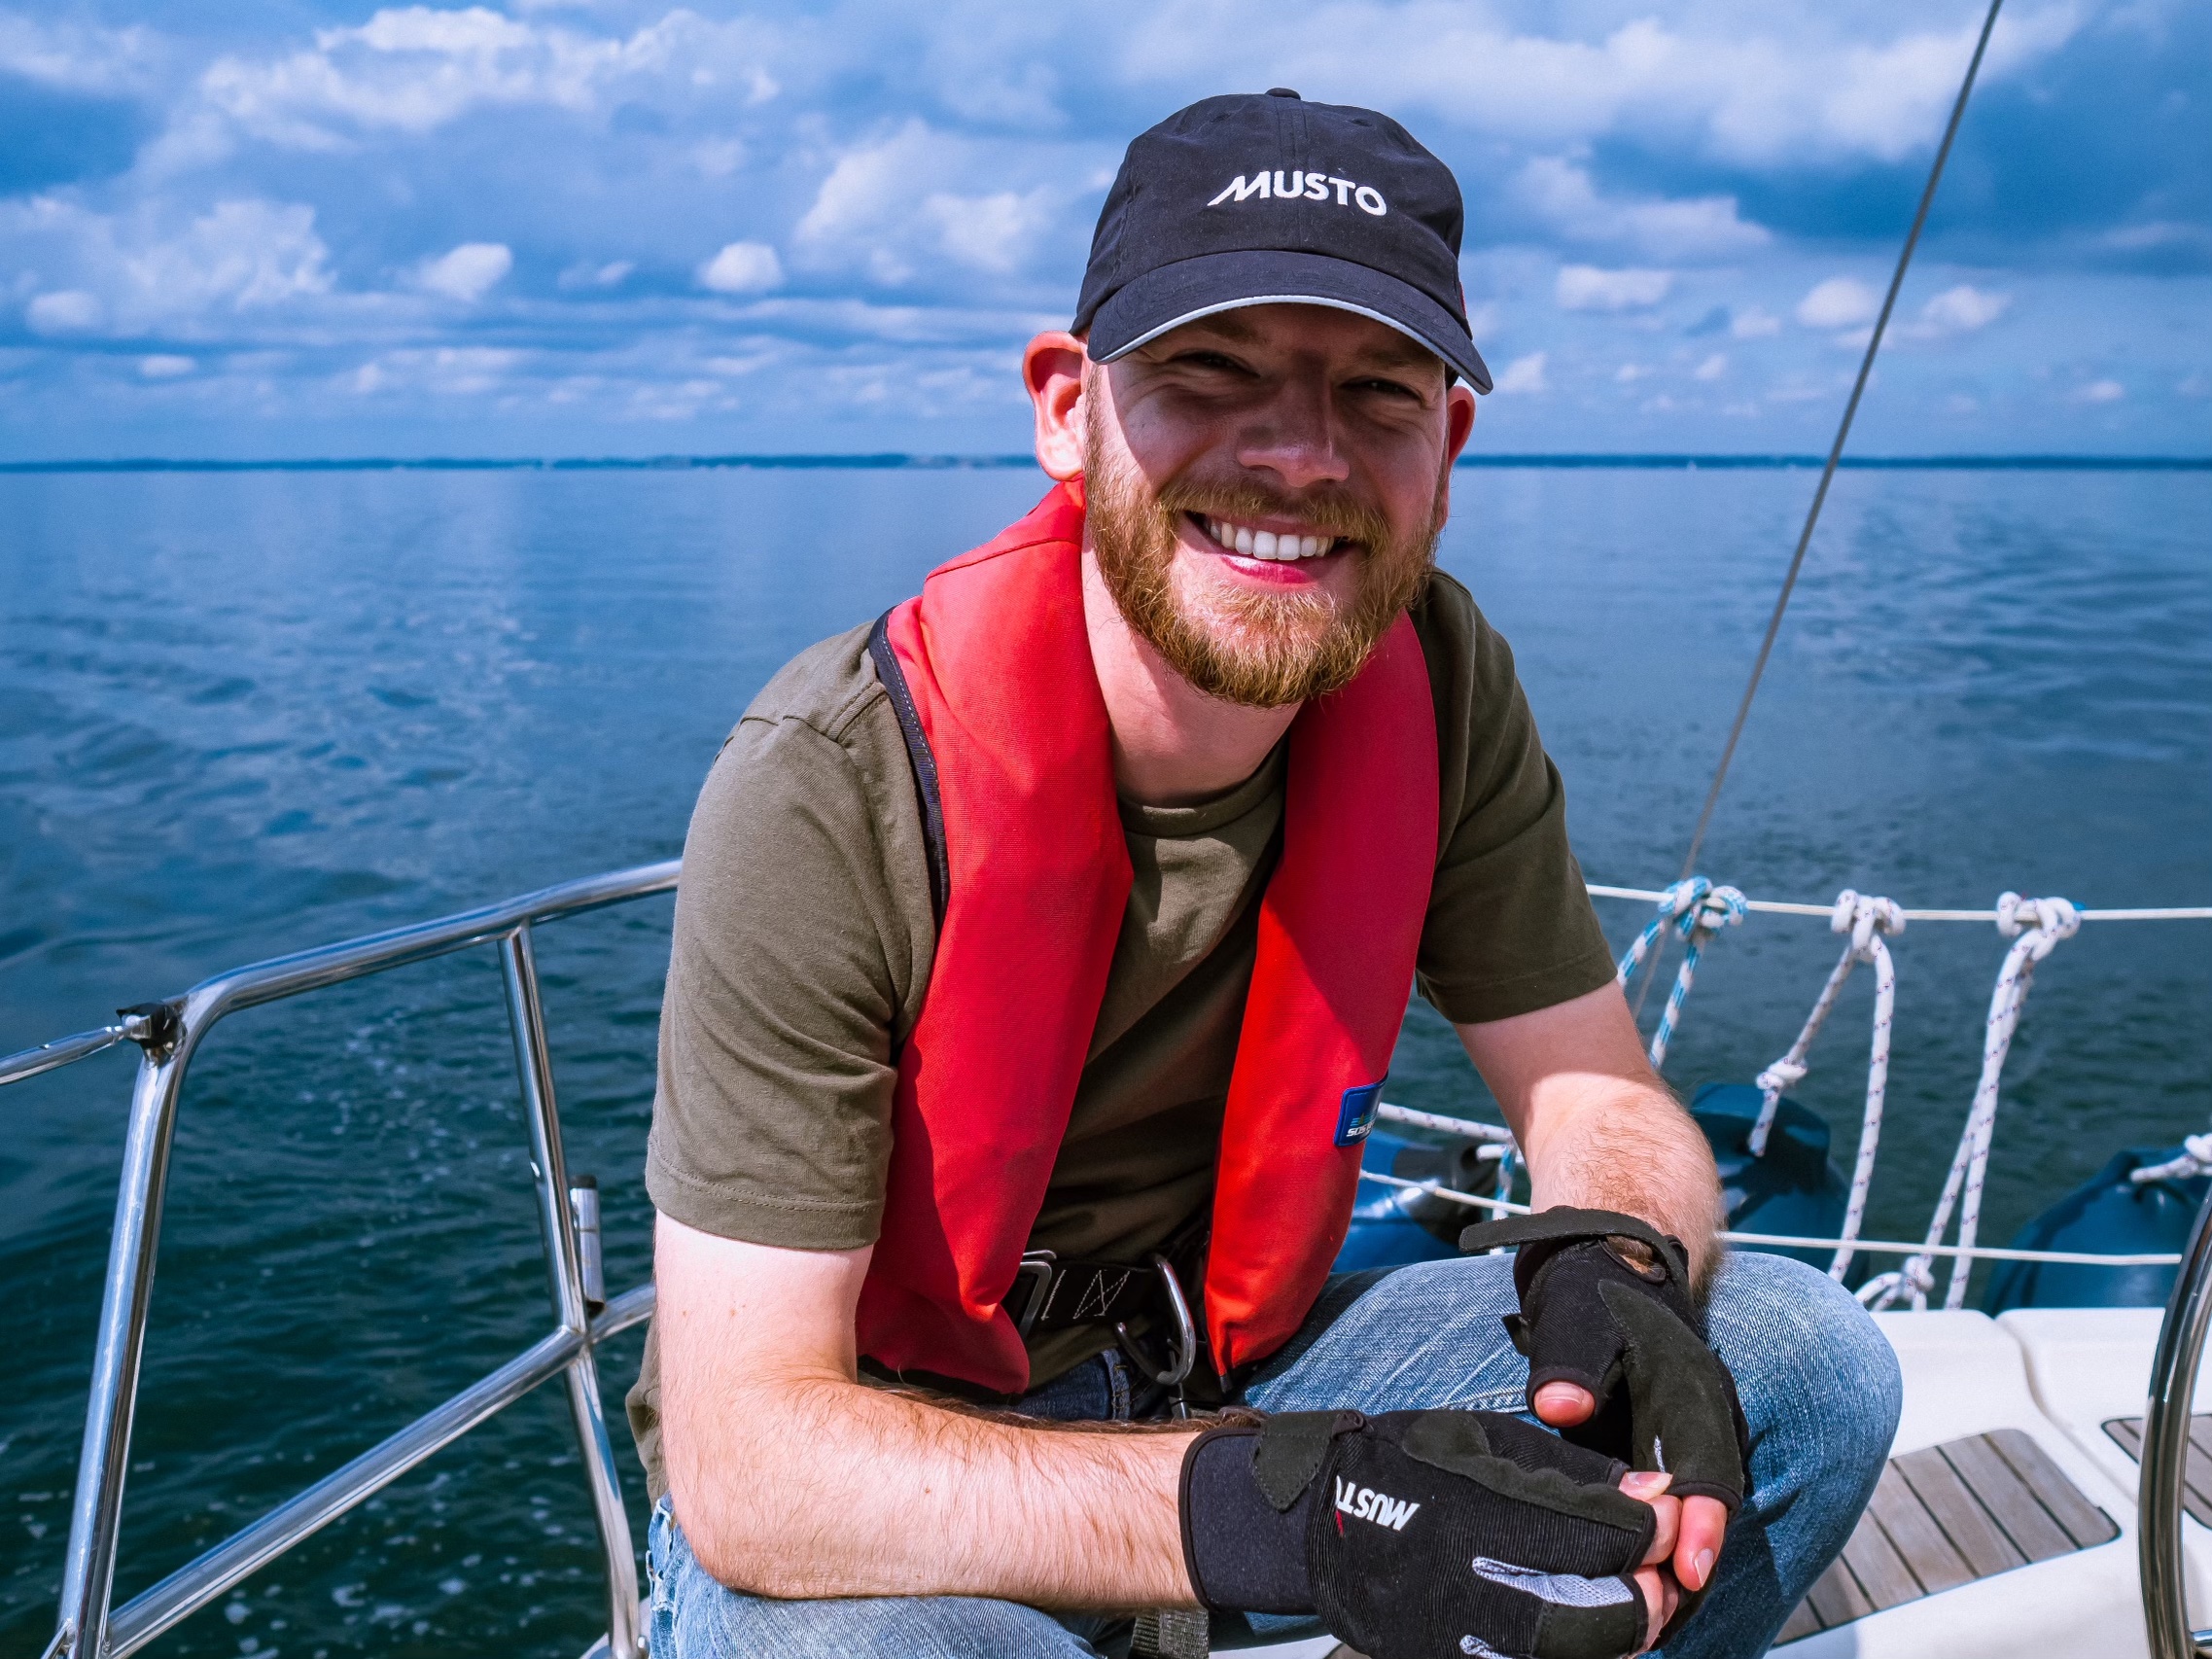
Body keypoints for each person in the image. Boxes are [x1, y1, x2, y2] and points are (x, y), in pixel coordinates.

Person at [627, 88, 1901, 1659]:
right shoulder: (835, 781)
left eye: (1376, 392)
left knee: (1804, 1363)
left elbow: (1597, 1093)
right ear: (1066, 407)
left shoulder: (1436, 683)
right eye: (1209, 371)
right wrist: (1296, 1511)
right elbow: (749, 1462)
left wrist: (1618, 1260)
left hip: (1241, 1376)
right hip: (905, 1447)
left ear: (1446, 447)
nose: (1298, 456)